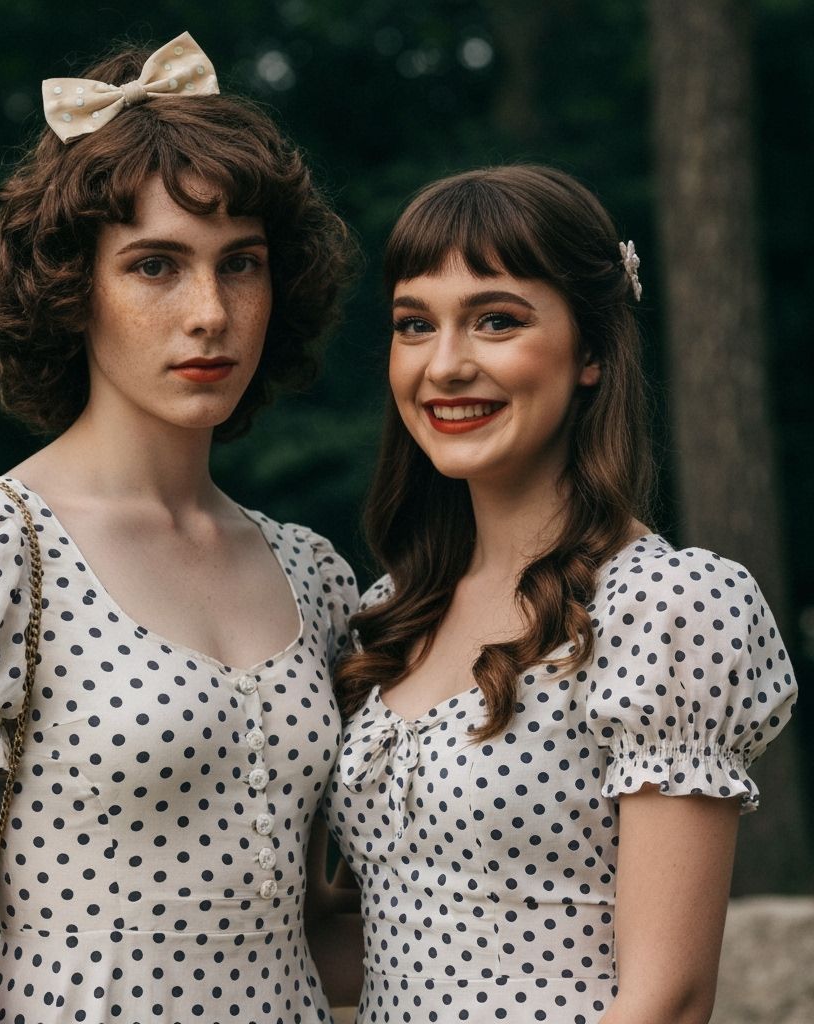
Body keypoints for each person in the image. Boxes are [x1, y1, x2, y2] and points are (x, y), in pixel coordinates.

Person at [0, 32, 359, 1024]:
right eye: (156, 266)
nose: (209, 312)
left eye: (238, 265)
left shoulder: (313, 574)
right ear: (74, 290)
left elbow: (311, 929)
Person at [325, 165, 797, 1024]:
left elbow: (669, 997)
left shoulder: (669, 606)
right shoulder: (393, 607)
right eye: (414, 325)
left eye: (496, 321)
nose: (446, 365)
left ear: (590, 351)